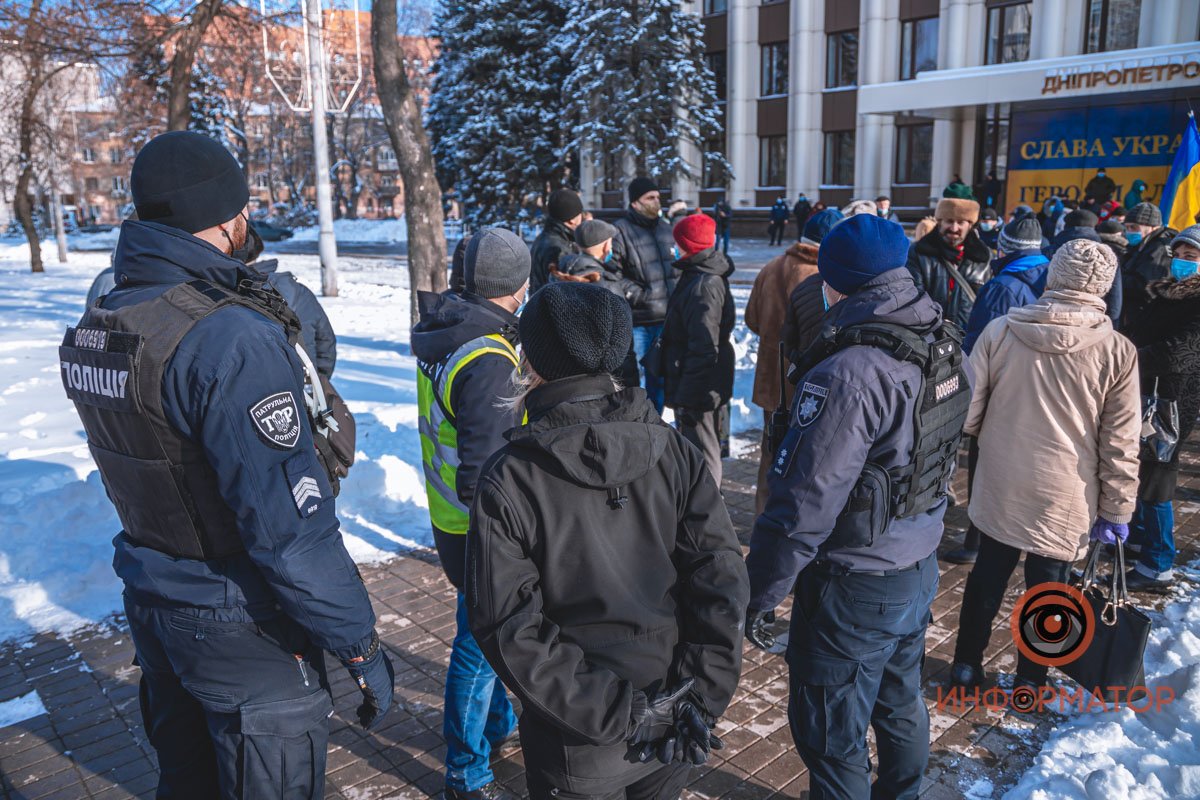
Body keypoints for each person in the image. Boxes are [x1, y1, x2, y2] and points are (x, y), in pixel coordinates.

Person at [58, 131, 391, 798]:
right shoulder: (227, 337)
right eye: (245, 206)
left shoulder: (108, 314)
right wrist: (358, 643)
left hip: (158, 604)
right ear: (226, 216)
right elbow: (289, 529)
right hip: (243, 625)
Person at [467, 281, 750, 800]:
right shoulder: (674, 449)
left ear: (532, 360)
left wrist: (686, 699)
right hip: (660, 716)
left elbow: (507, 626)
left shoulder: (511, 478)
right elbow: (722, 577)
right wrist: (698, 695)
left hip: (589, 732)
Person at [745, 213, 970, 799]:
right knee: (899, 704)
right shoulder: (940, 335)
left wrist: (759, 593)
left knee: (831, 735)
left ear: (836, 282)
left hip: (854, 582)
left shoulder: (850, 371)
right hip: (916, 564)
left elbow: (803, 506)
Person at [948, 239, 1140, 692]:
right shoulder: (1117, 351)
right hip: (1066, 492)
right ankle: (1030, 681)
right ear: (1104, 286)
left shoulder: (1000, 330)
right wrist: (1117, 509)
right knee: (1049, 589)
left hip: (1000, 480)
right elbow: (1120, 441)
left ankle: (965, 665)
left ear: (1052, 275)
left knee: (986, 578)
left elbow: (968, 412)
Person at [413, 228, 529, 800]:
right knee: (479, 649)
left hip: (451, 519)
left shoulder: (448, 330)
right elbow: (489, 471)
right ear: (518, 285)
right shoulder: (488, 357)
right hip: (480, 527)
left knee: (487, 634)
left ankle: (499, 726)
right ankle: (467, 771)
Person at [949, 216, 1049, 565]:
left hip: (1000, 390)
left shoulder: (1003, 285)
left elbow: (979, 343)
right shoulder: (1051, 276)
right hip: (1037, 389)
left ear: (1005, 247)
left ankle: (976, 542)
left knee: (986, 467)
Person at [1122, 225, 1200, 592]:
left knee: (1158, 478)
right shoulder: (1167, 292)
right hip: (1149, 396)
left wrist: (1128, 358)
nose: (1183, 262)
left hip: (1173, 402)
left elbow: (1180, 352)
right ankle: (1139, 541)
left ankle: (1157, 564)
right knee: (1142, 469)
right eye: (1180, 255)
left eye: (1193, 257)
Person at [746, 223, 819, 511]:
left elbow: (752, 319)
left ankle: (762, 518)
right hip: (809, 386)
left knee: (770, 453)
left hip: (771, 381)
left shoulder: (771, 267)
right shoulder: (825, 275)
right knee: (806, 459)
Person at [661, 213, 735, 483]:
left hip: (700, 383)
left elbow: (704, 346)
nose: (674, 247)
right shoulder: (699, 274)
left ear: (688, 246)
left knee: (703, 450)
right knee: (698, 447)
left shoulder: (703, 284)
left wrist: (688, 394)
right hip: (699, 377)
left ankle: (708, 511)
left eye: (677, 242)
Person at [610, 177, 677, 413]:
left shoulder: (665, 229)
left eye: (658, 197)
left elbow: (675, 268)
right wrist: (643, 295)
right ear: (636, 203)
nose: (657, 201)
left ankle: (655, 425)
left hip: (666, 321)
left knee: (659, 380)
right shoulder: (620, 230)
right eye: (650, 197)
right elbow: (613, 274)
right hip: (640, 322)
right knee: (632, 382)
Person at [553, 218, 644, 387]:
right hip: (603, 381)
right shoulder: (607, 287)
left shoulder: (559, 275)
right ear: (605, 246)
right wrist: (630, 387)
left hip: (566, 376)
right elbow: (621, 345)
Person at [906, 197, 991, 328]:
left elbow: (987, 304)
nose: (954, 228)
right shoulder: (919, 253)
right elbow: (913, 298)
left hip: (968, 338)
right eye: (949, 221)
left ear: (970, 225)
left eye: (961, 222)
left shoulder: (983, 258)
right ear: (939, 222)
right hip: (931, 335)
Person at [781, 209, 845, 368]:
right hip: (810, 373)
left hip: (771, 372)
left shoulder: (772, 266)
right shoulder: (831, 278)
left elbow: (751, 318)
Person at [255, 259, 337, 377]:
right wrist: (319, 379)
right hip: (307, 378)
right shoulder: (302, 293)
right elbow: (326, 339)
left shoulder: (242, 294)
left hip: (270, 386)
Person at [1121, 202, 1177, 326]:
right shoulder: (1142, 244)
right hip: (1133, 312)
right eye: (1127, 227)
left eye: (1134, 227)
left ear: (1152, 227)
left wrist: (1116, 279)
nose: (1129, 231)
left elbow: (1146, 285)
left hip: (1144, 314)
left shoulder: (1160, 248)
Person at [529, 188, 583, 292]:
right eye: (580, 213)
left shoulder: (545, 238)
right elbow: (563, 291)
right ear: (572, 219)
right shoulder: (557, 248)